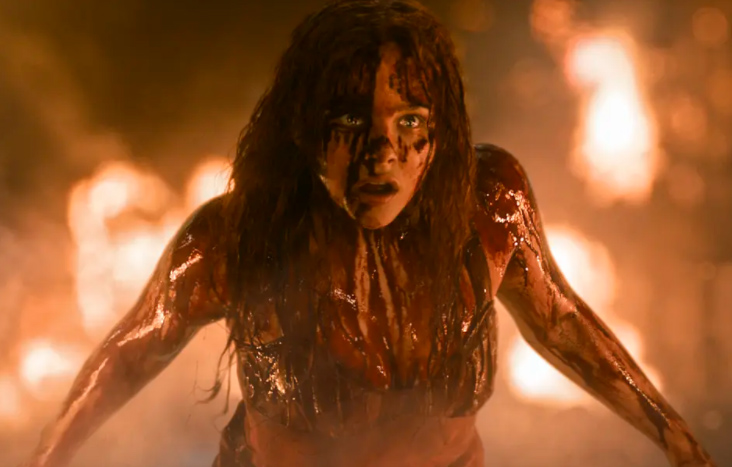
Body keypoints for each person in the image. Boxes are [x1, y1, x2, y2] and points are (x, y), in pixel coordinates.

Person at [24, 1, 715, 466]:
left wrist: (676, 438)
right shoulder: (240, 237)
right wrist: (47, 457)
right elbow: (134, 350)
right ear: (304, 128)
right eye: (351, 122)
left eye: (409, 122)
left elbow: (560, 320)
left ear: (440, 131)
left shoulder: (488, 208)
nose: (382, 153)